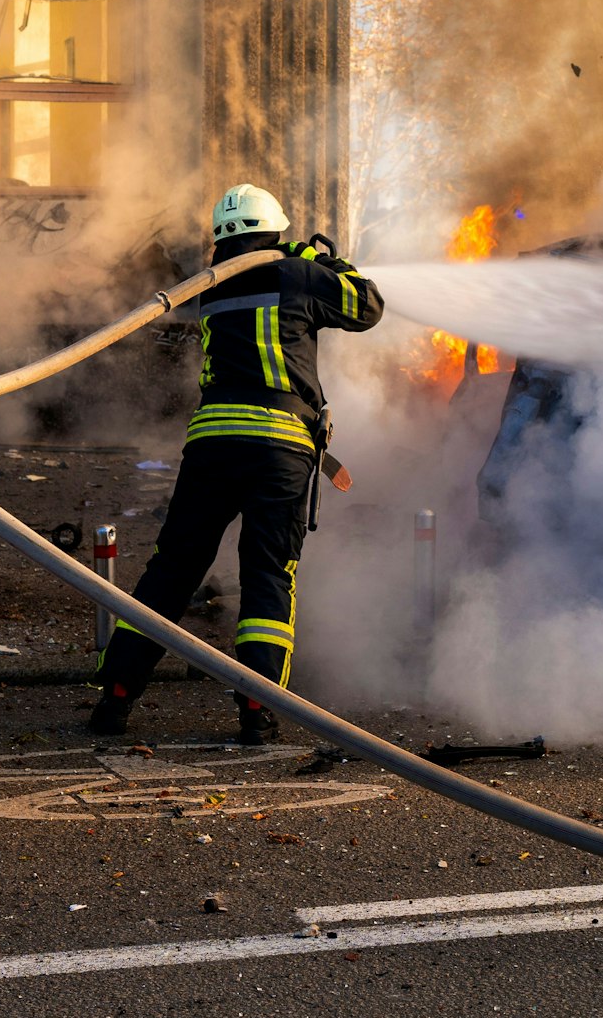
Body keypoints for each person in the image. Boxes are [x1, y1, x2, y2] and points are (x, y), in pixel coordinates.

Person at [90, 183, 384, 743]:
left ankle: (117, 695)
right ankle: (256, 707)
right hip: (278, 446)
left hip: (212, 446)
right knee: (267, 574)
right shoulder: (296, 273)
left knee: (172, 569)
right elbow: (366, 305)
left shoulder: (212, 284)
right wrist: (320, 258)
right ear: (275, 230)